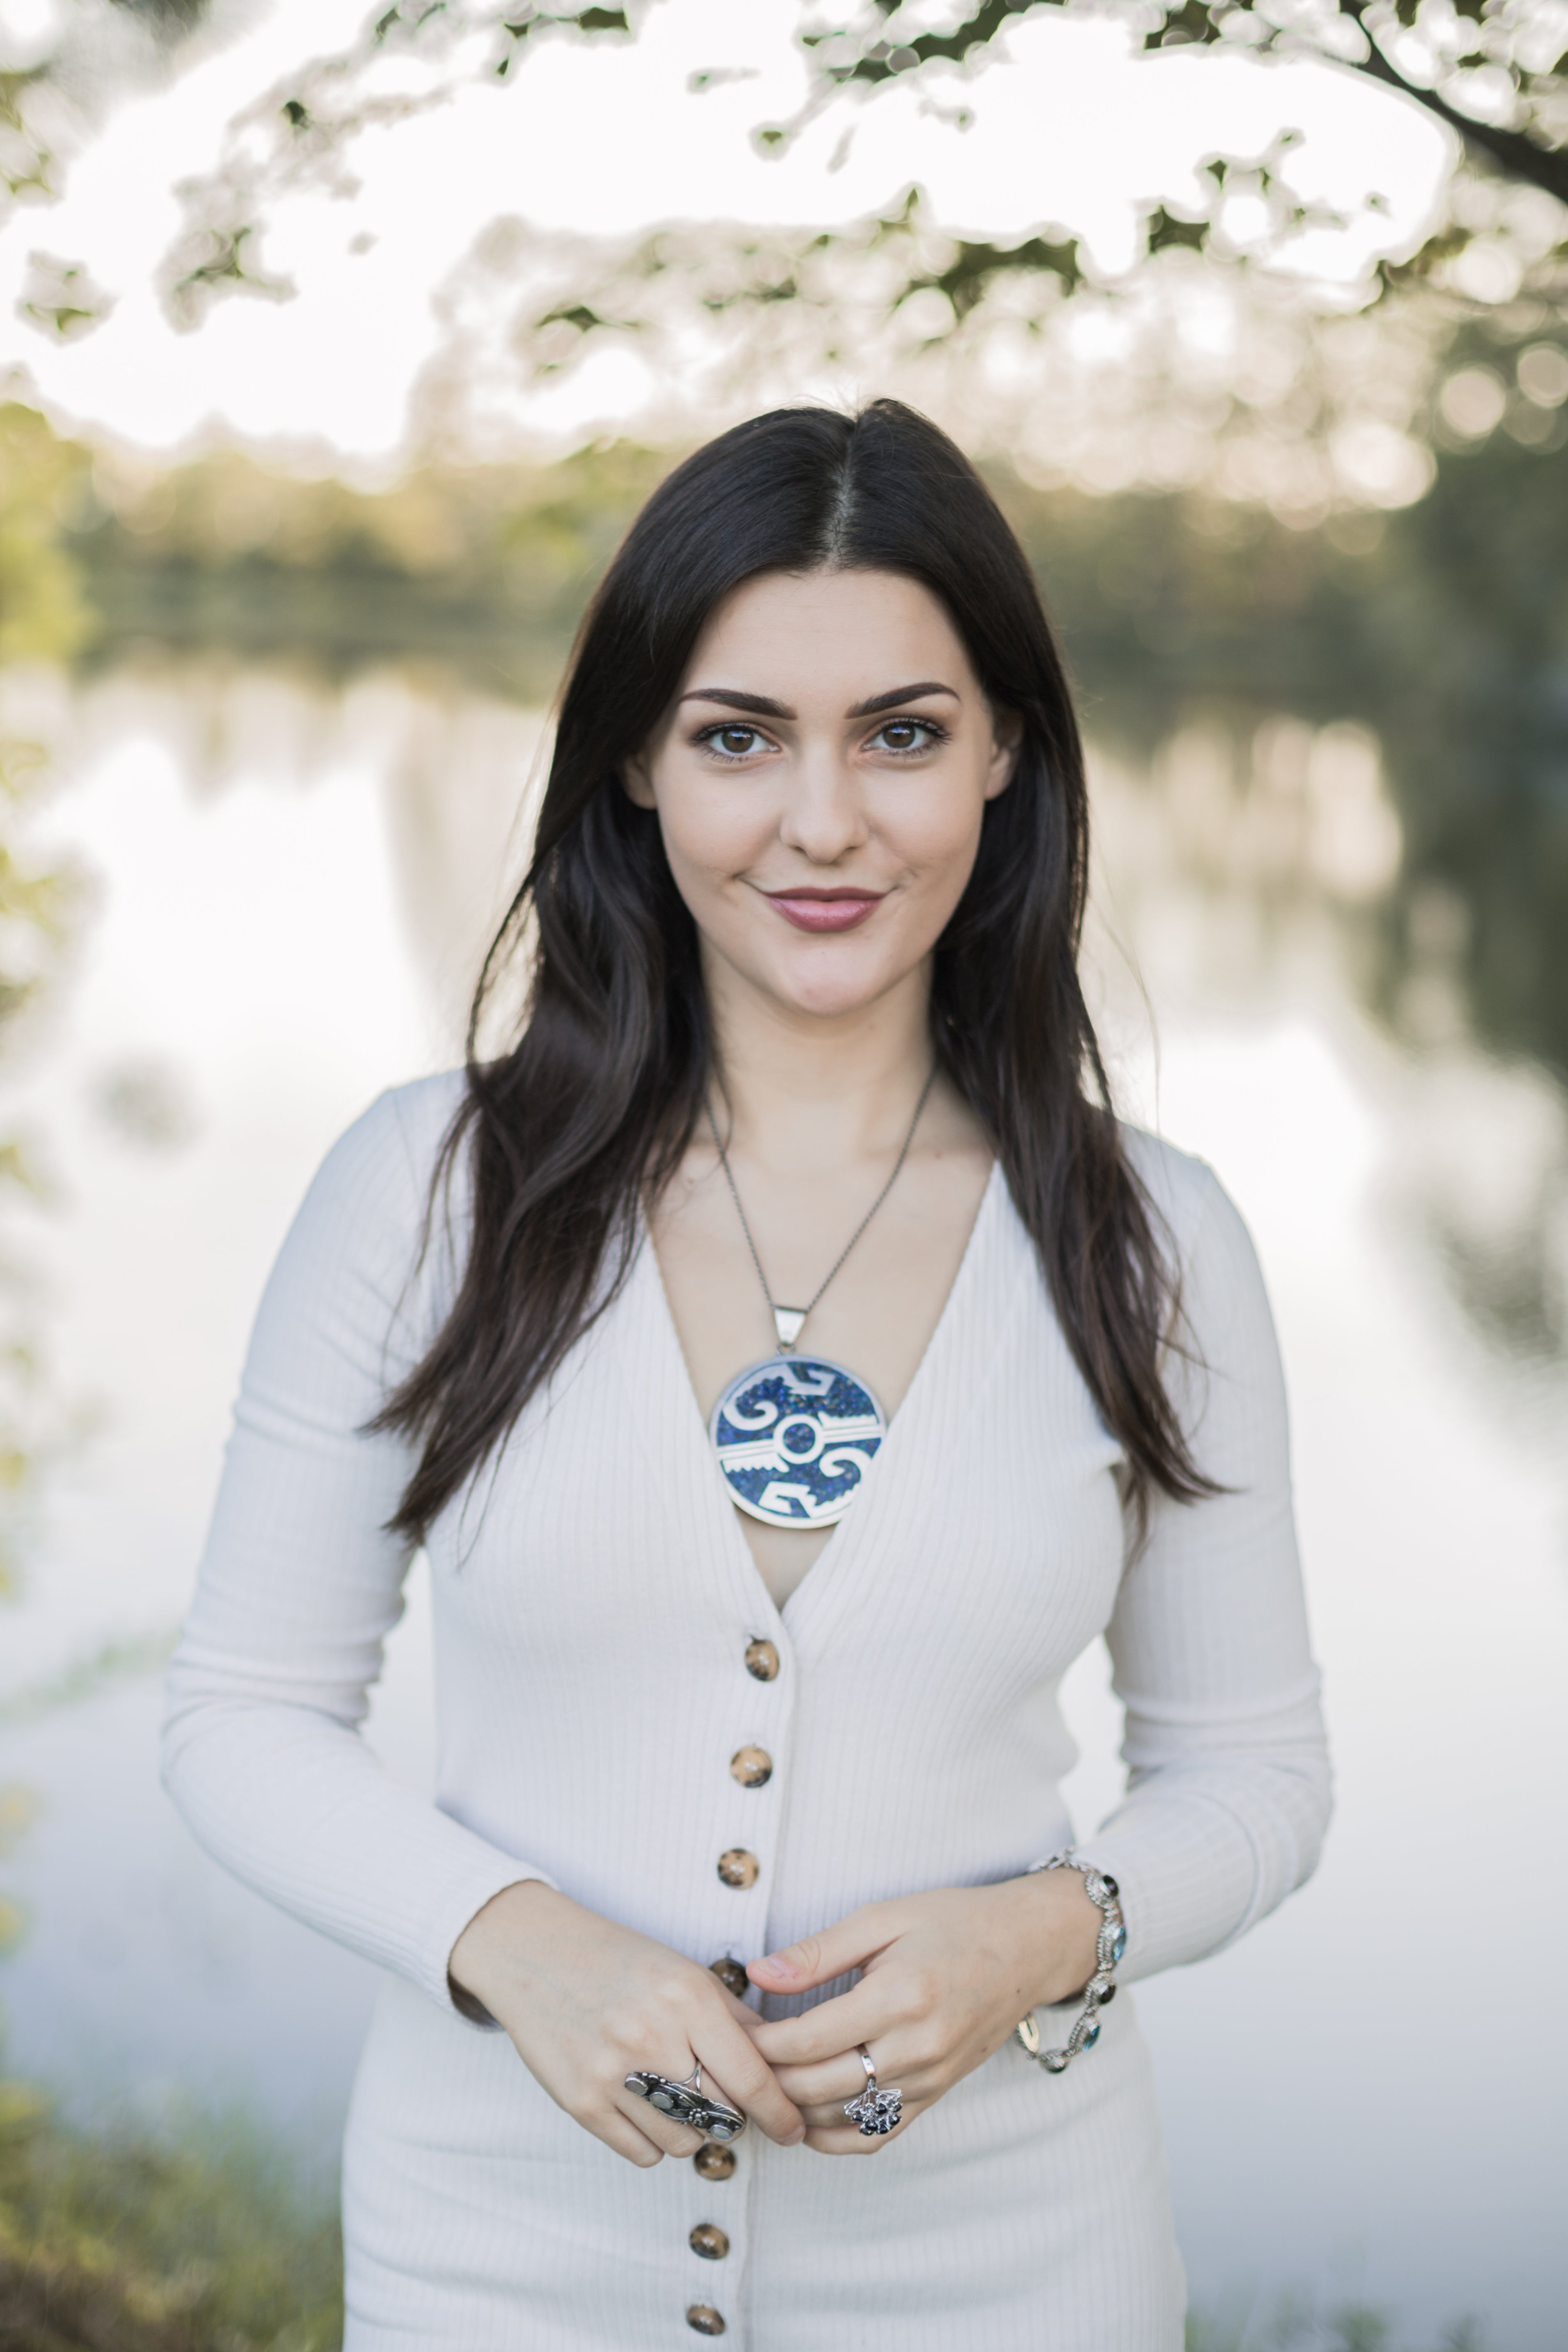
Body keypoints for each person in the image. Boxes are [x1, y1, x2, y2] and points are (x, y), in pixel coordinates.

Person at [162, 399, 1330, 2350]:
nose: (821, 823)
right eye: (737, 737)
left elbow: (1257, 1777)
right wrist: (507, 1945)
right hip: (497, 2265)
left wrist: (1051, 1934)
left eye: (901, 732)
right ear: (635, 762)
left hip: (1021, 2277)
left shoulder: (1159, 1238)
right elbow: (243, 1715)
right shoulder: (424, 1192)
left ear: (1005, 754)